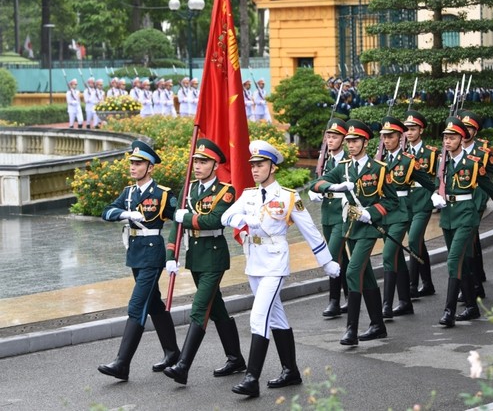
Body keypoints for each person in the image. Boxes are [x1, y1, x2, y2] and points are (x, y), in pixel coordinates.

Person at [221, 141, 340, 397]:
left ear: (272, 167)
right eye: (252, 165)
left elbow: (309, 230)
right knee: (275, 317)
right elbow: (225, 216)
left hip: (275, 262)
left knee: (258, 317)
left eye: (260, 165)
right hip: (254, 262)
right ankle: (291, 371)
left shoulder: (288, 197)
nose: (254, 169)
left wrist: (326, 261)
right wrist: (243, 219)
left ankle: (252, 378)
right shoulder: (249, 195)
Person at [162, 139, 246, 385]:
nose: (197, 166)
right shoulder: (188, 190)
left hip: (214, 257)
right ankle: (236, 358)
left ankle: (183, 366)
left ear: (214, 164)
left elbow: (215, 221)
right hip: (195, 258)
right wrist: (171, 256)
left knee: (199, 308)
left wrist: (185, 216)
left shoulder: (225, 190)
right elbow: (176, 227)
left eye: (203, 162)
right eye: (196, 162)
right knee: (216, 308)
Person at [310, 120, 399, 346]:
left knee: (352, 270)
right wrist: (332, 187)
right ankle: (378, 325)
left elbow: (392, 201)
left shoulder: (379, 168)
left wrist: (371, 212)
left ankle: (351, 329)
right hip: (350, 228)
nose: (351, 145)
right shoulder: (344, 167)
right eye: (348, 141)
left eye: (355, 140)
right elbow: (316, 183)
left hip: (368, 228)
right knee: (366, 276)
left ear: (365, 142)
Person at [98, 140, 179, 381]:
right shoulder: (129, 193)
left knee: (137, 305)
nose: (133, 167)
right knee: (154, 304)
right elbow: (107, 212)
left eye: (139, 163)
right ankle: (173, 353)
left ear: (150, 167)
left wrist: (173, 254)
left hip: (153, 255)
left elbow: (179, 221)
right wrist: (125, 213)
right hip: (134, 253)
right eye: (132, 163)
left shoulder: (162, 194)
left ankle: (122, 364)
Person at [430, 117, 493, 328]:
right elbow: (435, 183)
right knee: (462, 262)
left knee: (453, 260)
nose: (447, 141)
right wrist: (435, 194)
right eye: (445, 137)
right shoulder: (441, 162)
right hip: (448, 217)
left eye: (452, 137)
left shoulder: (472, 164)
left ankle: (449, 310)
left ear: (462, 138)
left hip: (466, 216)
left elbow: (489, 186)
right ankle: (472, 306)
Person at [378, 115, 435, 319]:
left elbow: (430, 183)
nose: (387, 140)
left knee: (388, 254)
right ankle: (404, 302)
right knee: (396, 257)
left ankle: (385, 306)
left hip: (402, 211)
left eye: (391, 136)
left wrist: (439, 197)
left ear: (400, 137)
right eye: (384, 136)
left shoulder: (408, 161)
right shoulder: (380, 161)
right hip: (385, 212)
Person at [459, 110, 493, 307]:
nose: (466, 131)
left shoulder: (483, 151)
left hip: (476, 200)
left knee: (468, 240)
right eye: (464, 127)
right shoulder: (451, 150)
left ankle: (475, 286)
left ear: (475, 131)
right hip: (458, 204)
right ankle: (476, 278)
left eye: (470, 128)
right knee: (471, 241)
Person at [308, 118, 351, 318]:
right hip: (327, 212)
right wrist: (314, 191)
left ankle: (333, 301)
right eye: (329, 136)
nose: (330, 140)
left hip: (343, 212)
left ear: (343, 139)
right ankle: (350, 295)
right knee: (343, 256)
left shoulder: (348, 160)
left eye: (335, 137)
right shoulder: (324, 159)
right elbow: (317, 180)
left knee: (332, 255)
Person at [402, 110, 438, 298]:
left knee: (414, 240)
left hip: (423, 199)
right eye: (406, 129)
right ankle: (428, 283)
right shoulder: (402, 153)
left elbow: (438, 177)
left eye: (413, 129)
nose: (409, 133)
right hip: (407, 200)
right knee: (419, 243)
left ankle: (412, 285)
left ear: (421, 130)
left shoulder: (431, 153)